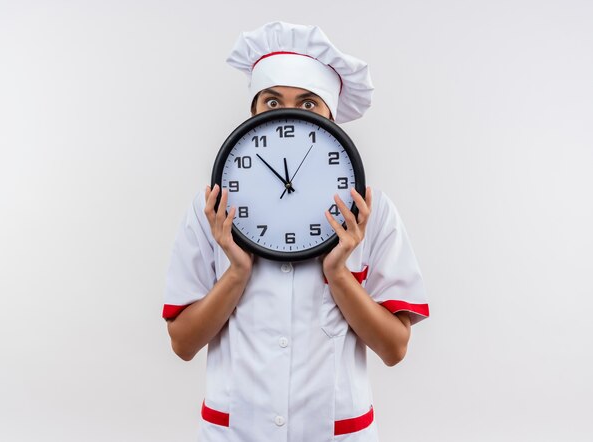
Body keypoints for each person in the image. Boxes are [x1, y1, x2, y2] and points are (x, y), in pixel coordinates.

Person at [163, 21, 430, 442]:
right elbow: (182, 343)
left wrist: (340, 275)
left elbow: (394, 349)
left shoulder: (371, 213)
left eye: (308, 105)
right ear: (252, 116)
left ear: (330, 122)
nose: (287, 115)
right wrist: (235, 272)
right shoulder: (211, 209)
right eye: (272, 102)